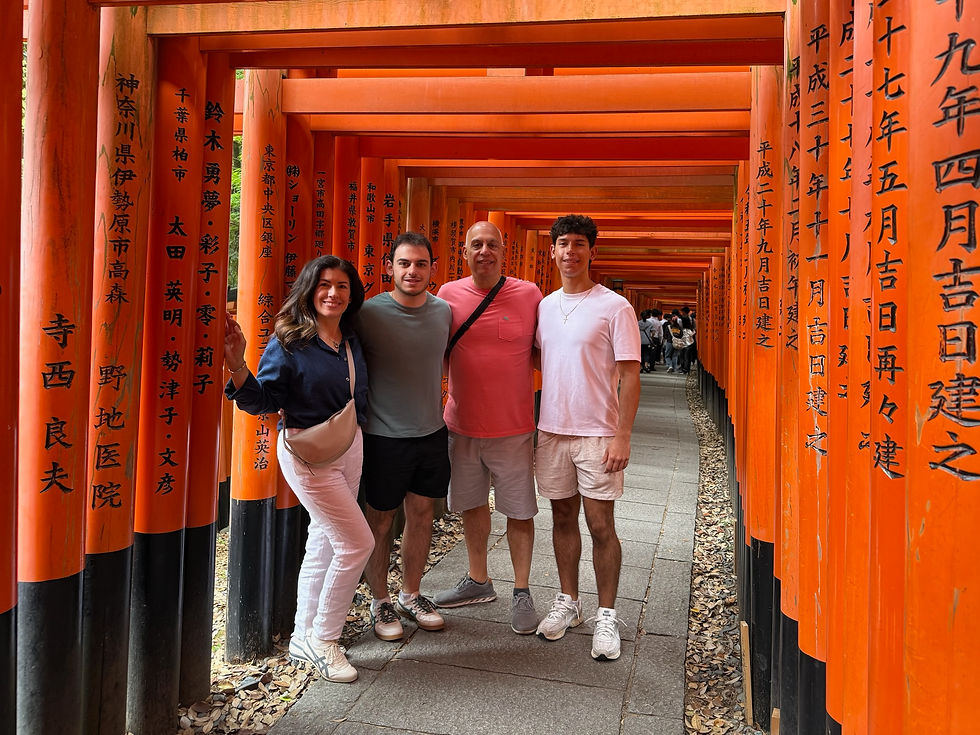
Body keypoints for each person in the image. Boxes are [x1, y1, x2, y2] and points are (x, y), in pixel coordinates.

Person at [224, 255, 372, 683]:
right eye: (324, 284)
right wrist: (237, 365)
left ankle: (305, 637)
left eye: (342, 286)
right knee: (357, 542)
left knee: (325, 538)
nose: (332, 293)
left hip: (349, 445)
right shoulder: (289, 342)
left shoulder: (351, 338)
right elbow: (264, 402)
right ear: (309, 290)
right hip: (308, 456)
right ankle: (327, 640)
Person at [534, 214, 641, 661]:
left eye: (579, 244)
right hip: (552, 430)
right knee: (561, 520)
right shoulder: (543, 305)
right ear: (553, 251)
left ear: (591, 251)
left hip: (598, 433)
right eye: (563, 244)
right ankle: (568, 602)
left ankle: (607, 614)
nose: (570, 252)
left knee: (601, 526)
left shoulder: (615, 306)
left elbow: (630, 375)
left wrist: (623, 435)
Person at [432, 221, 542, 635]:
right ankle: (478, 580)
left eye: (491, 244)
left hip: (513, 428)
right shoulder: (447, 295)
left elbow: (546, 350)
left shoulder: (530, 294)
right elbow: (434, 351)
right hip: (461, 425)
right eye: (475, 244)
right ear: (464, 252)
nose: (484, 251)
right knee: (471, 504)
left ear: (503, 252)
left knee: (519, 510)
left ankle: (522, 589)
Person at [356, 232, 452, 641]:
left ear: (433, 268)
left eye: (420, 264)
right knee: (379, 521)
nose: (412, 271)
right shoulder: (367, 313)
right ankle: (380, 602)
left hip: (431, 430)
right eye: (404, 263)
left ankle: (411, 593)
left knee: (422, 515)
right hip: (383, 435)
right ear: (390, 266)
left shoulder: (445, 311)